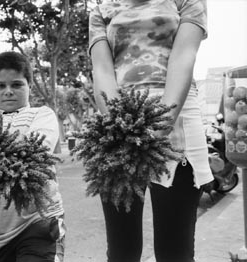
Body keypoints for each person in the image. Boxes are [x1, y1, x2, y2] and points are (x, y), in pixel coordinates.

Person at [88, 0, 214, 261]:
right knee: (122, 252)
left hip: (179, 126)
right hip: (118, 128)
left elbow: (183, 57)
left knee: (174, 252)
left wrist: (162, 122)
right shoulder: (101, 9)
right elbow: (101, 69)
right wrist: (121, 130)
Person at [0, 51, 65, 262]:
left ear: (29, 85)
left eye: (17, 85)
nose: (8, 91)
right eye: (1, 86)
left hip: (39, 222)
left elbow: (38, 150)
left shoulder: (43, 114)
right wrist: (15, 148)